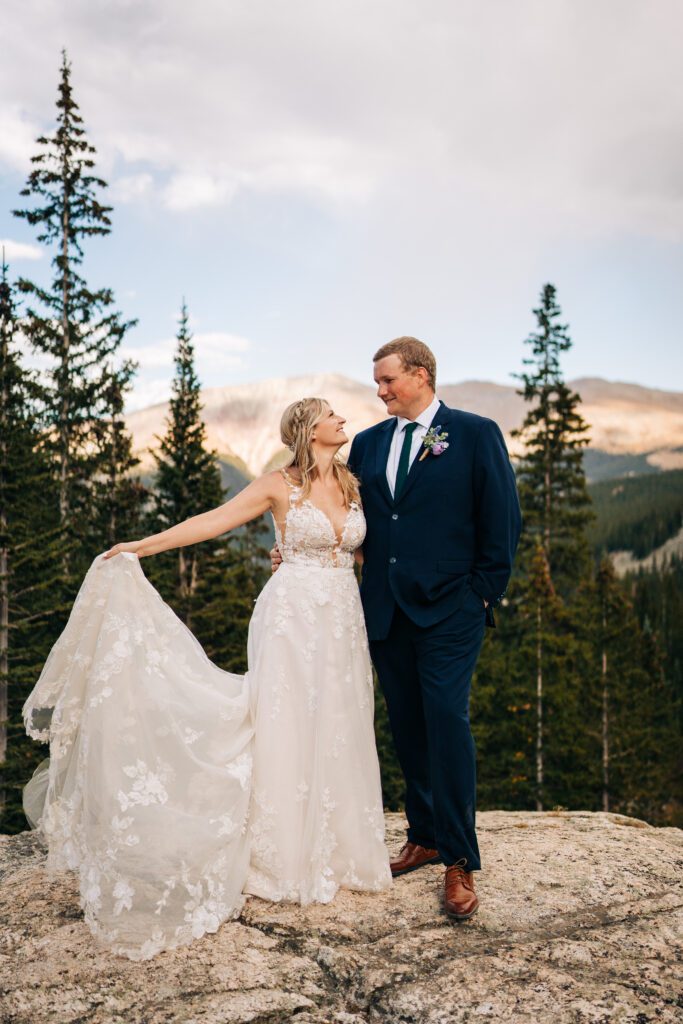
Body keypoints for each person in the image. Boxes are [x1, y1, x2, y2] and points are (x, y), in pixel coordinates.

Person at [22, 397, 392, 961]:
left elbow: (365, 553)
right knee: (286, 723)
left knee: (340, 724)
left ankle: (338, 850)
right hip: (290, 619)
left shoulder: (351, 482)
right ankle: (283, 855)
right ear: (307, 428)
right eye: (331, 414)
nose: (344, 419)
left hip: (342, 620)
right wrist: (142, 546)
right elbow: (213, 521)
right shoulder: (276, 484)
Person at [275, 338, 522, 919]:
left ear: (420, 375)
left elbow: (502, 520)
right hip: (382, 610)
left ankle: (459, 857)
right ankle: (424, 834)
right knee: (407, 722)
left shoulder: (474, 433)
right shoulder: (368, 443)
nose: (379, 392)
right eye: (378, 383)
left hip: (451, 611)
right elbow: (342, 510)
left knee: (446, 718)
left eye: (388, 381)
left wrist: (482, 594)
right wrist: (293, 548)